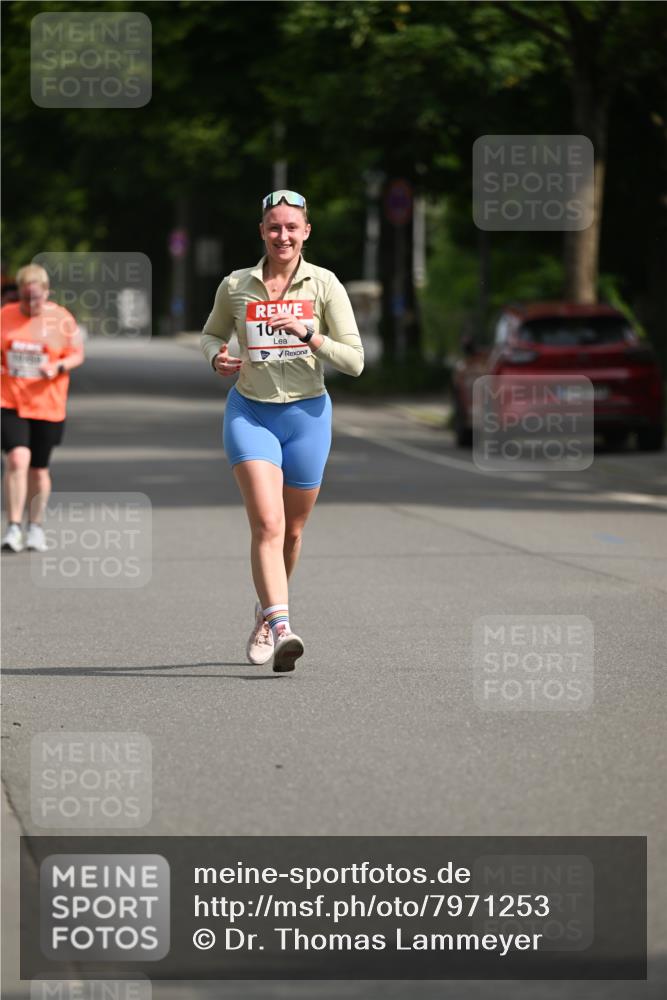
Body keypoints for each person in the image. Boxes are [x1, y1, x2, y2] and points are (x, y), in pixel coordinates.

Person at [201, 190, 364, 672]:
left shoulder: (325, 285)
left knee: (292, 532)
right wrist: (216, 356)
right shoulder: (236, 285)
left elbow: (354, 362)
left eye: (292, 227)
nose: (283, 235)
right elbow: (211, 333)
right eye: (274, 227)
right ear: (262, 232)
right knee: (267, 524)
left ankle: (263, 614)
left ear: (306, 231)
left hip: (308, 417)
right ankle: (282, 626)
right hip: (250, 413)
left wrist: (309, 335)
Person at [1, 263, 84, 552]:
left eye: (37, 298)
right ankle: (13, 527)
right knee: (17, 460)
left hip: (48, 404)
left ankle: (35, 526)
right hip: (10, 400)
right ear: (18, 295)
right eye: (25, 298)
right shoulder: (5, 316)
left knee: (38, 469)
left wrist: (58, 365)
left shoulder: (61, 318)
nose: (31, 304)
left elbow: (76, 354)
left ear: (47, 293)